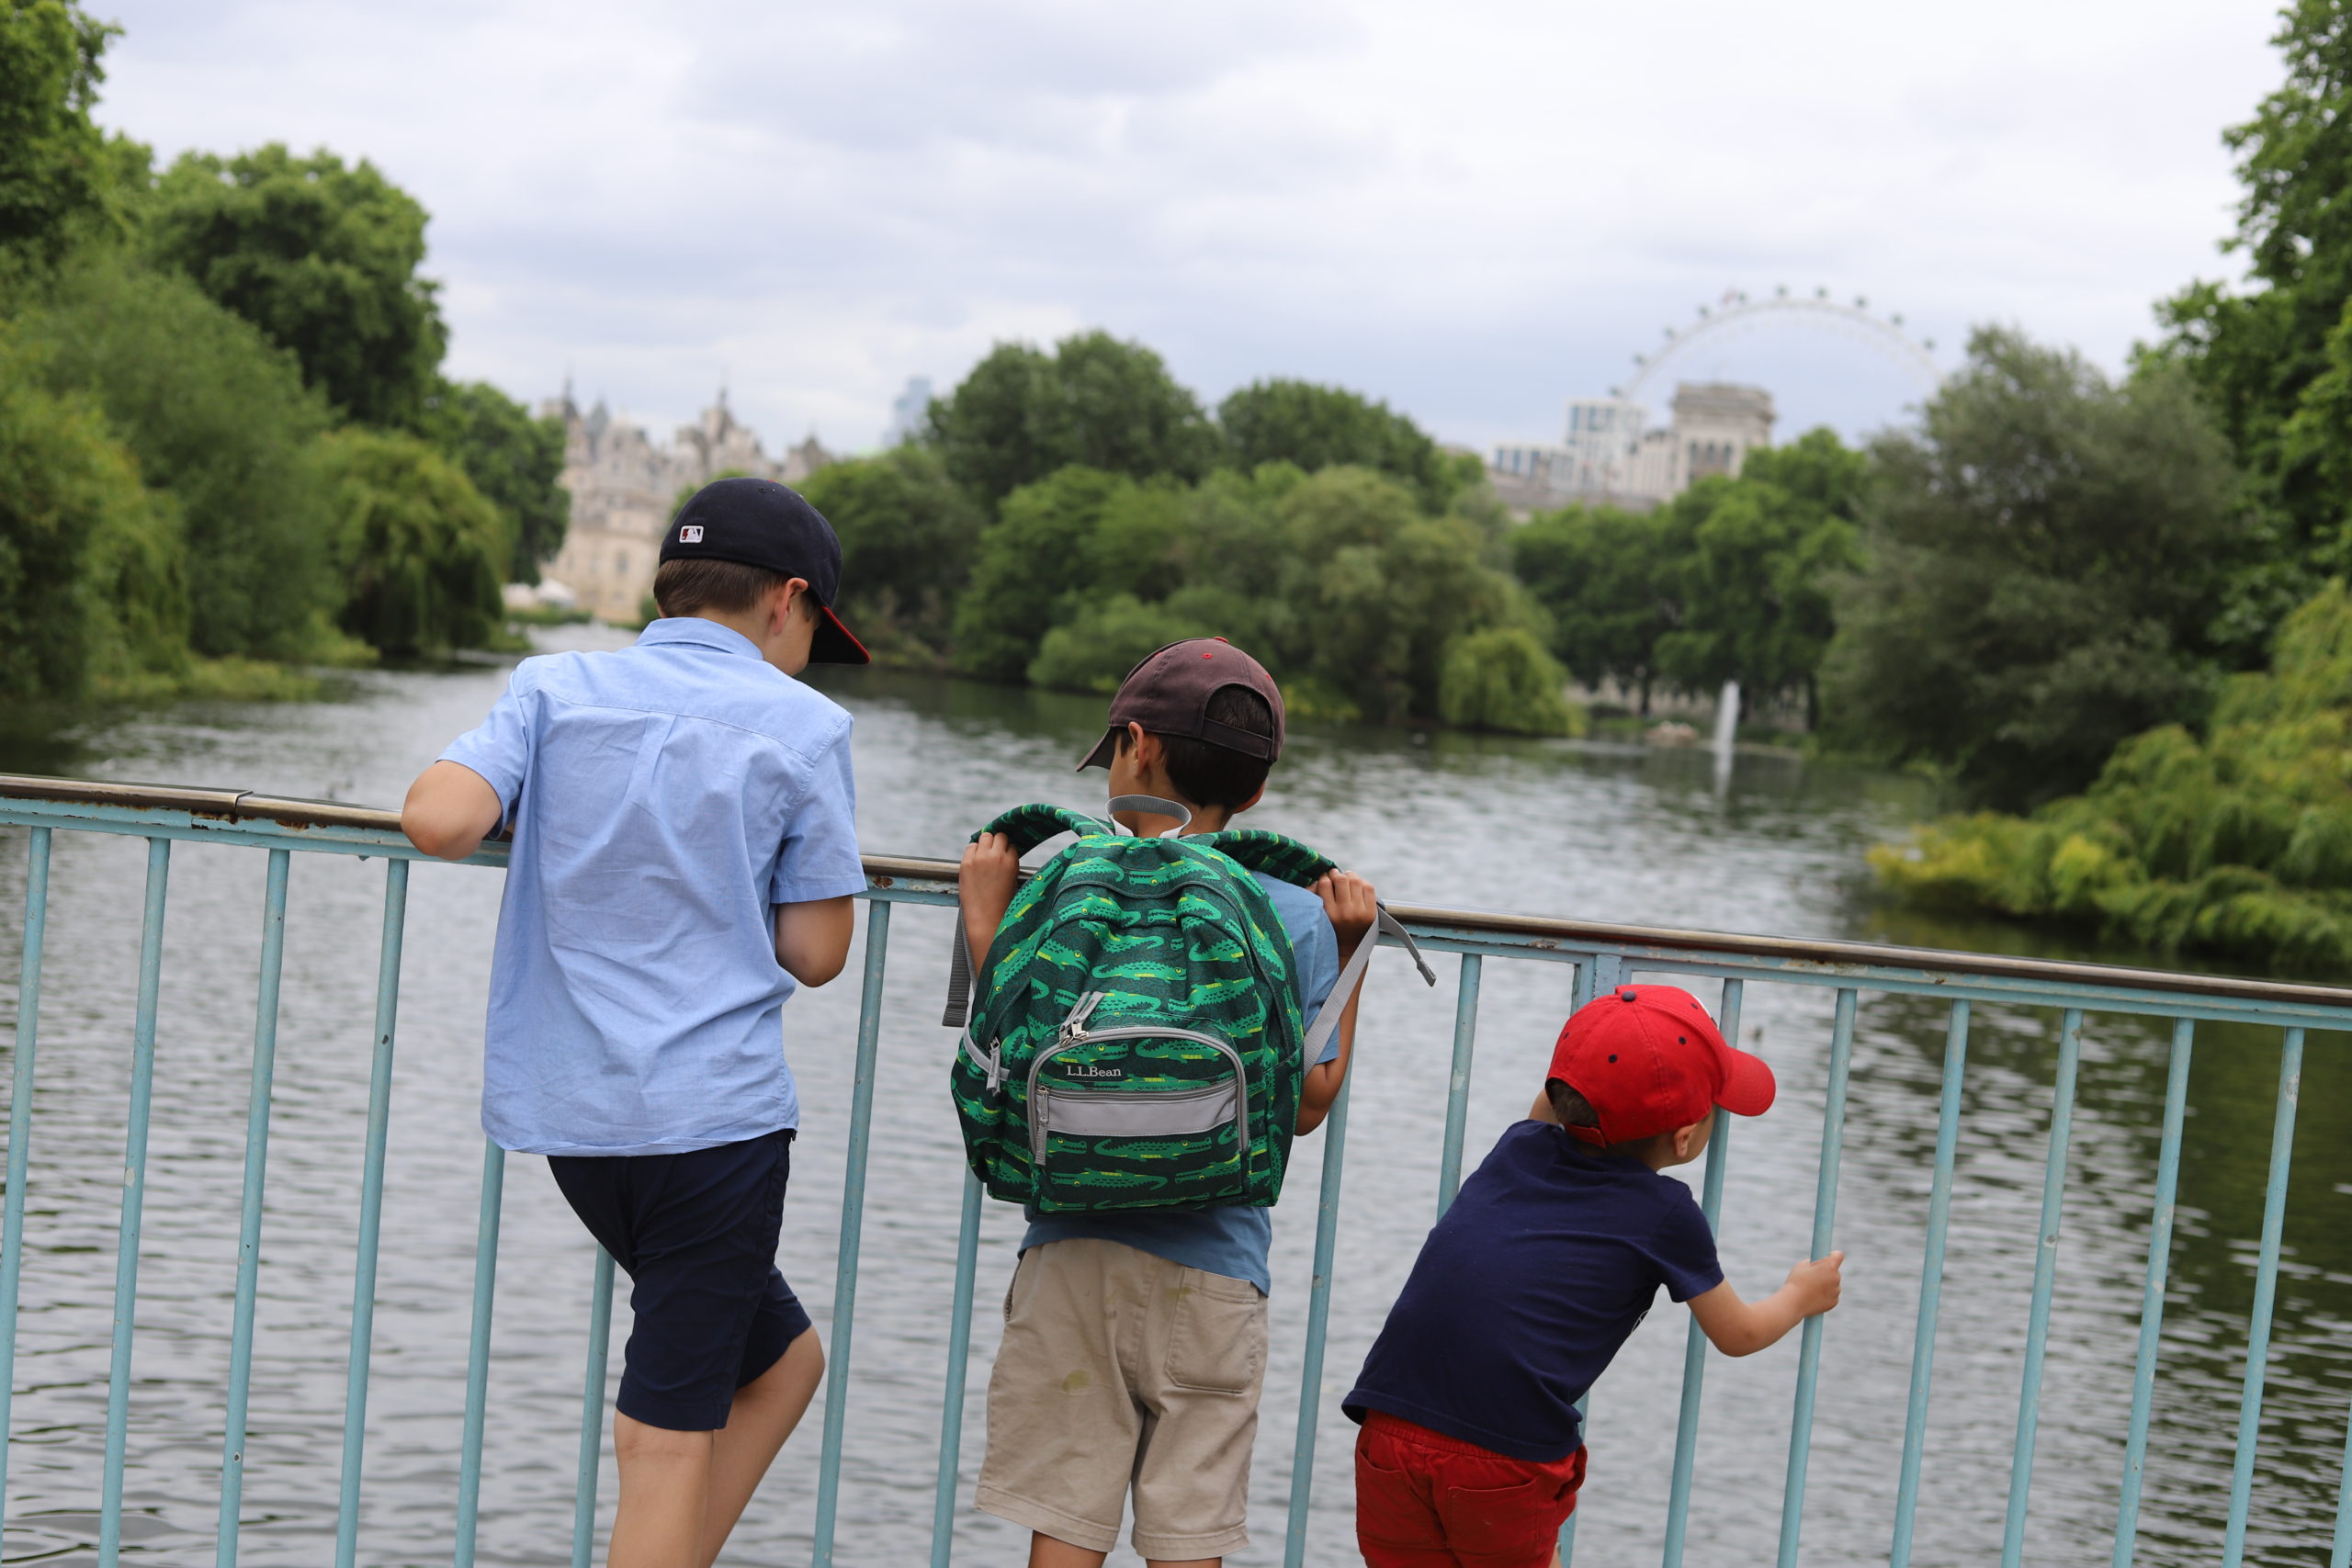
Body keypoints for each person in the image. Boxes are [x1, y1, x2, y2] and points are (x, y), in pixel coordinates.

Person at [401, 476, 873, 1568]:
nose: (809, 653)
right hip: (712, 1131)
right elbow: (815, 954)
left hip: (578, 1124)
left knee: (783, 1362)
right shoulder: (806, 726)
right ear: (784, 601)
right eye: (815, 630)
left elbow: (440, 819)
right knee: (664, 1442)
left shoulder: (555, 687)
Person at [956, 637, 1378, 1568]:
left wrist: (986, 919)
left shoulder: (1063, 882)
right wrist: (1352, 956)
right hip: (1218, 1270)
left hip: (1071, 1252)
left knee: (1063, 1526)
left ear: (1135, 747)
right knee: (1190, 1532)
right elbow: (1308, 1103)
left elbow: (1012, 1048)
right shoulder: (1300, 908)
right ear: (1258, 791)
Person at [1343, 984, 1846, 1568]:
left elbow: (1551, 1105)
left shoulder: (1519, 1146)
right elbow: (1738, 1335)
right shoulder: (1665, 1213)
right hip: (1502, 1457)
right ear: (1686, 1138)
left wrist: (1612, 1033)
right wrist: (1800, 1295)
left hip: (1388, 1429)